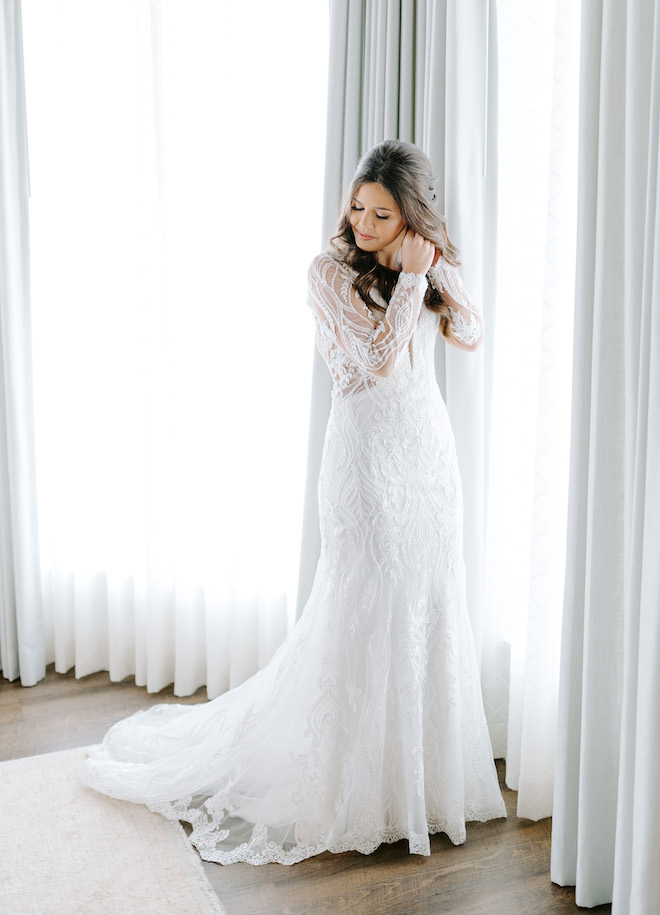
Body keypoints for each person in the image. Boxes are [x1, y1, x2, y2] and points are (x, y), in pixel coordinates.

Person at [83, 139, 506, 865]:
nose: (365, 224)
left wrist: (432, 268)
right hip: (366, 464)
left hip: (428, 461)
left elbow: (469, 332)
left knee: (427, 599)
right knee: (364, 604)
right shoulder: (327, 272)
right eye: (358, 208)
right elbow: (375, 362)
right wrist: (406, 283)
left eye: (383, 213)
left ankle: (418, 786)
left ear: (411, 217)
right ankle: (352, 784)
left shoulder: (418, 261)